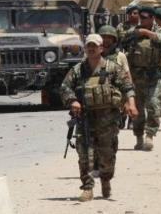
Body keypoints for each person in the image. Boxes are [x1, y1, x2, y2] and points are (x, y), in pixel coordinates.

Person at [60, 34, 138, 202]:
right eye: (88, 46)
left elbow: (127, 86)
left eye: (94, 46)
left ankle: (105, 179)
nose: (91, 48)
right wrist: (73, 100)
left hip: (107, 119)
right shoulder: (78, 70)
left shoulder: (112, 68)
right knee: (84, 154)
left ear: (101, 48)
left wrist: (131, 104)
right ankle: (88, 188)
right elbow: (65, 87)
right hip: (85, 118)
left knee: (107, 154)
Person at [125, 6, 161, 151]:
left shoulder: (160, 29)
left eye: (145, 18)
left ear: (152, 18)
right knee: (138, 110)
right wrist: (140, 31)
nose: (141, 20)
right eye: (140, 18)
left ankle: (150, 135)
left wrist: (145, 32)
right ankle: (138, 137)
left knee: (154, 106)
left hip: (154, 76)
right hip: (136, 77)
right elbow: (125, 36)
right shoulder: (133, 30)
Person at [98, 25, 132, 129]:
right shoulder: (95, 55)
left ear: (114, 39)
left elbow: (127, 76)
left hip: (117, 94)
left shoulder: (120, 56)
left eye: (109, 37)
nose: (106, 40)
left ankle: (126, 117)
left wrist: (128, 100)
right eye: (103, 37)